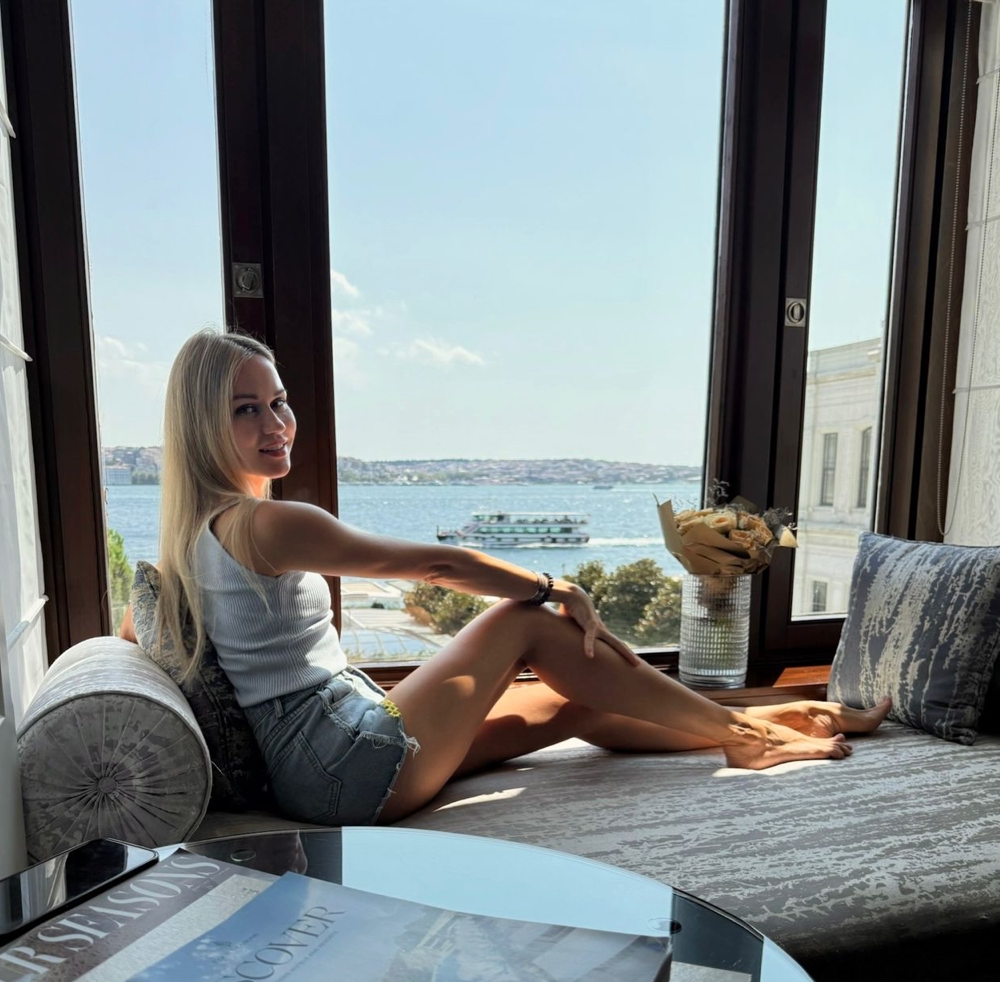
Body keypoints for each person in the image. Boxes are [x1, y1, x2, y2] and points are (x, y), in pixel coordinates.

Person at [121, 329, 891, 827]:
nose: (275, 424)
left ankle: (779, 715)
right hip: (338, 763)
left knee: (570, 705)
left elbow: (136, 636)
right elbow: (436, 565)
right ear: (202, 424)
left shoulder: (189, 536)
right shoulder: (265, 523)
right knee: (523, 621)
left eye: (279, 402)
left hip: (322, 765)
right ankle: (746, 734)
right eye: (246, 410)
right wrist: (556, 589)